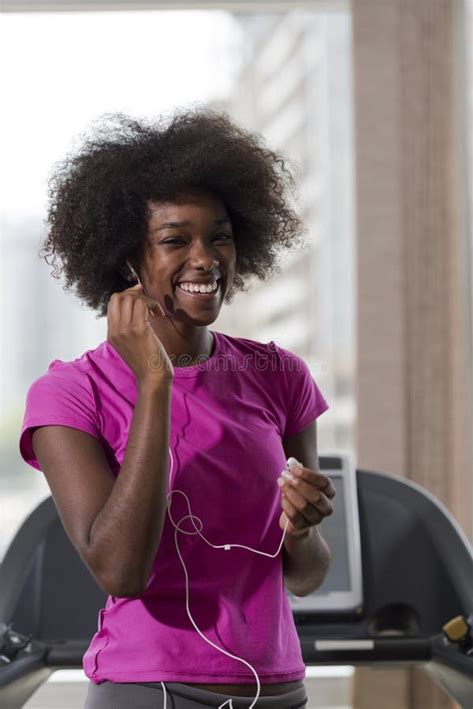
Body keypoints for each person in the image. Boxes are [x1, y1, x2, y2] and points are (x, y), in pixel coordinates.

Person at [18, 107, 335, 708]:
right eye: (174, 240)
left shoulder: (280, 375)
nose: (206, 258)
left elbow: (307, 574)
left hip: (279, 687)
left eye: (219, 235)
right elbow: (120, 571)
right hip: (151, 688)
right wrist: (156, 385)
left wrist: (304, 527)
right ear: (127, 259)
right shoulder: (68, 394)